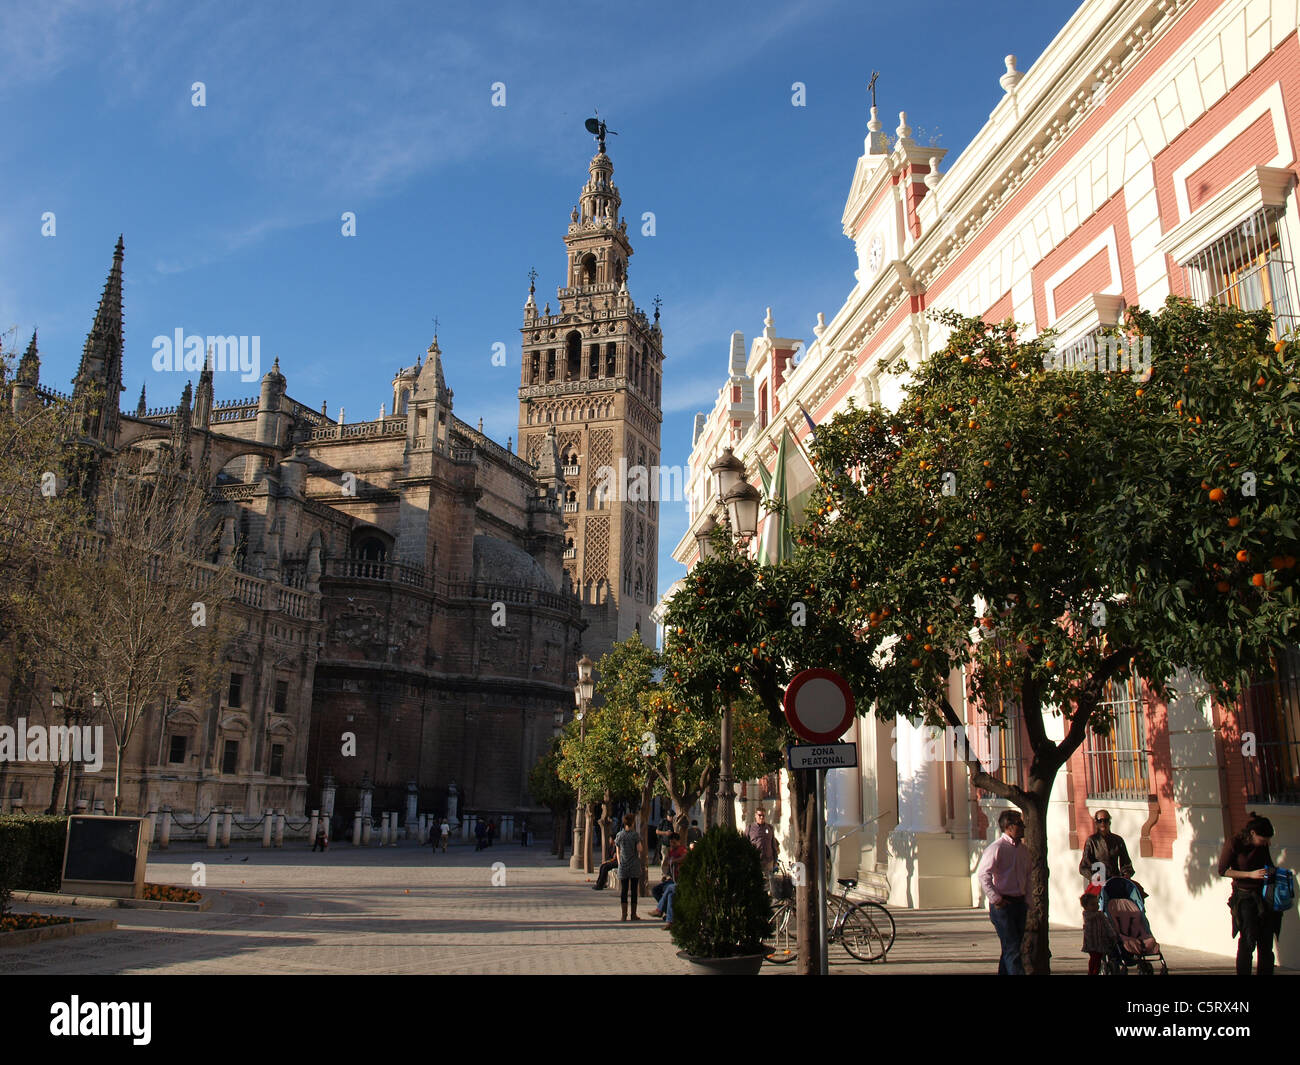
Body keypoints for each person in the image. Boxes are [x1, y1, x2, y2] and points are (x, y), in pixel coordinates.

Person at [1218, 812, 1283, 976]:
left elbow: (1268, 864)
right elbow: (1223, 870)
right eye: (1263, 839)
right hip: (1245, 897)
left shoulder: (1263, 846)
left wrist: (1274, 872)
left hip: (1264, 895)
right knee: (1248, 941)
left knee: (1266, 942)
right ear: (1253, 833)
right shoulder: (1235, 843)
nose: (1265, 843)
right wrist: (1250, 874)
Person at [975, 808, 1030, 975]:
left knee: (1013, 947)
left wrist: (1028, 901)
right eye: (1019, 824)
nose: (1022, 827)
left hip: (1019, 903)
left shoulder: (1023, 850)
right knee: (1012, 947)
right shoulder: (997, 848)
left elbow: (1028, 876)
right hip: (1003, 905)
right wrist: (996, 898)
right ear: (1008, 826)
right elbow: (984, 874)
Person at [1079, 809, 1135, 883]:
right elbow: (1084, 866)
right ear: (1096, 823)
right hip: (1098, 882)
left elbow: (1126, 863)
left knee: (1136, 891)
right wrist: (1094, 876)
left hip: (1115, 880)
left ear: (1109, 822)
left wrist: (1126, 874)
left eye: (1106, 820)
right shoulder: (1092, 841)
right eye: (1100, 821)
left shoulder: (1118, 840)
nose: (1103, 823)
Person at [614, 812, 644, 921]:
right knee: (634, 890)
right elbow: (640, 849)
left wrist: (619, 862)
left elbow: (617, 851)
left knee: (624, 890)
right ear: (632, 823)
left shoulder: (619, 835)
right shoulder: (635, 835)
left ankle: (623, 914)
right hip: (634, 865)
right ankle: (633, 914)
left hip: (623, 865)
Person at [1080, 888, 1117, 975]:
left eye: (1097, 903)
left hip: (1101, 941)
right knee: (1094, 958)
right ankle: (1092, 972)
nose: (1096, 906)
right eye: (1092, 904)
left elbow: (1107, 926)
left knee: (1099, 958)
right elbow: (1089, 918)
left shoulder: (1101, 915)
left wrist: (1112, 934)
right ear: (1086, 907)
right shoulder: (1087, 914)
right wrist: (1098, 914)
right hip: (1091, 942)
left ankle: (1098, 971)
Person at [746, 807, 779, 893]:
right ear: (755, 815)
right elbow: (745, 845)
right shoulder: (750, 828)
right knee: (756, 885)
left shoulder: (769, 828)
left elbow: (773, 845)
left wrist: (775, 862)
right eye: (759, 815)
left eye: (763, 815)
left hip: (768, 861)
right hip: (755, 861)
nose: (761, 817)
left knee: (768, 887)